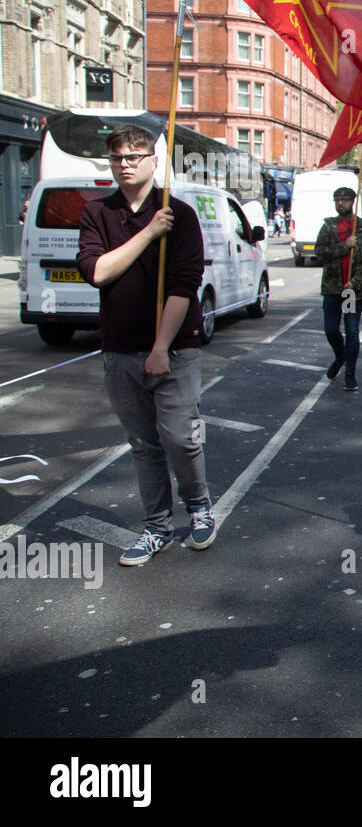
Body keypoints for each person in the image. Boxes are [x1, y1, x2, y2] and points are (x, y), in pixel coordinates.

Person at [77, 125, 213, 566]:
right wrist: (149, 233)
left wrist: (160, 347)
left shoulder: (181, 214)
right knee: (143, 444)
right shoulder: (97, 214)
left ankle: (198, 504)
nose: (125, 163)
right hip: (119, 349)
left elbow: (183, 285)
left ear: (154, 161)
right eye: (117, 157)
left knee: (178, 437)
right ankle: (156, 527)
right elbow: (98, 271)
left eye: (135, 155)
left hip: (174, 349)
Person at [317, 186, 362, 391]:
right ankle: (340, 356)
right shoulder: (328, 227)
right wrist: (344, 246)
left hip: (351, 290)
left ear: (353, 201)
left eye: (344, 199)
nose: (340, 203)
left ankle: (350, 373)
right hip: (334, 287)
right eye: (337, 200)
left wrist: (356, 281)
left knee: (351, 331)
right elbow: (320, 252)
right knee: (331, 329)